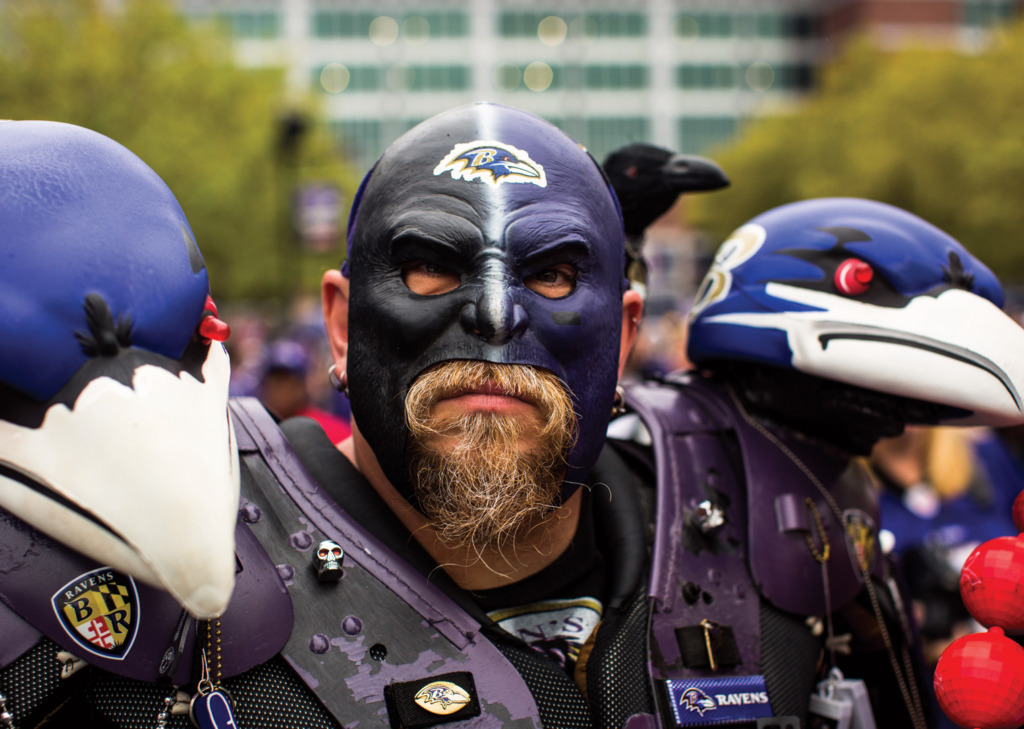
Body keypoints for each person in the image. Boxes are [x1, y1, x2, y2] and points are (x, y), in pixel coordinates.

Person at [4, 107, 1024, 729]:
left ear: (624, 332)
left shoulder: (773, 504)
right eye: (430, 264)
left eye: (551, 274)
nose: (491, 317)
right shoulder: (133, 563)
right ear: (340, 320)